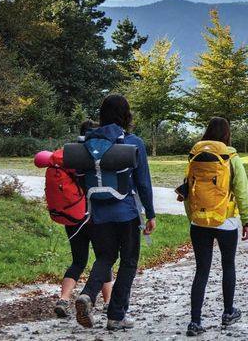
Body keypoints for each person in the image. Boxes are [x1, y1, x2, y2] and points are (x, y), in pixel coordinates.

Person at [73, 95, 156, 331]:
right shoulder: (132, 142)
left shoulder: (87, 143)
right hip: (126, 213)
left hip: (97, 213)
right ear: (125, 114)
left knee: (105, 258)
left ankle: (88, 295)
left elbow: (80, 178)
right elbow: (143, 182)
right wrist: (150, 213)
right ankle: (116, 315)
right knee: (128, 262)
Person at [175, 117, 248, 337]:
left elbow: (188, 191)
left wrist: (193, 217)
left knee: (201, 270)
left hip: (199, 222)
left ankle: (195, 321)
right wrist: (246, 220)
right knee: (228, 266)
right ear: (226, 134)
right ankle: (228, 313)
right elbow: (241, 191)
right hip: (225, 221)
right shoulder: (231, 157)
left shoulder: (194, 156)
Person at [52, 121, 113, 319]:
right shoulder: (96, 155)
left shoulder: (68, 155)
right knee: (103, 259)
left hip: (72, 216)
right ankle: (108, 302)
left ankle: (63, 299)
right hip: (95, 216)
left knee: (78, 260)